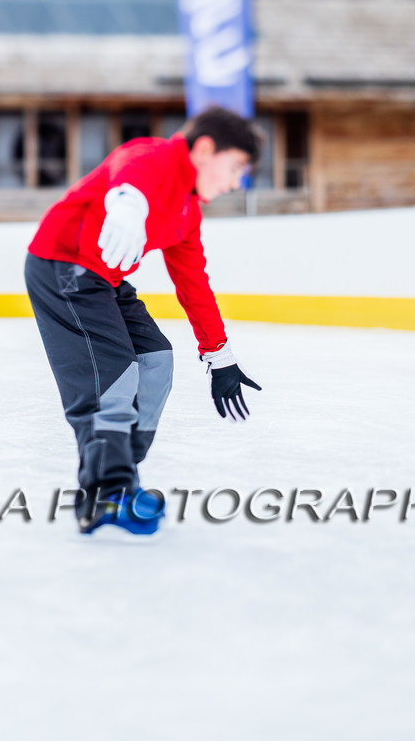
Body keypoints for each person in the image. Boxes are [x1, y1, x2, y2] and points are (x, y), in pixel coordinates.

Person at [25, 106, 263, 540]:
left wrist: (220, 355)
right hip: (62, 266)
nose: (234, 182)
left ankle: (118, 475)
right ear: (206, 149)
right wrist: (127, 207)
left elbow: (194, 284)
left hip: (104, 279)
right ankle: (108, 492)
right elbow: (127, 172)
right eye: (234, 168)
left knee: (155, 361)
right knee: (113, 380)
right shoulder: (155, 156)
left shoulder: (187, 212)